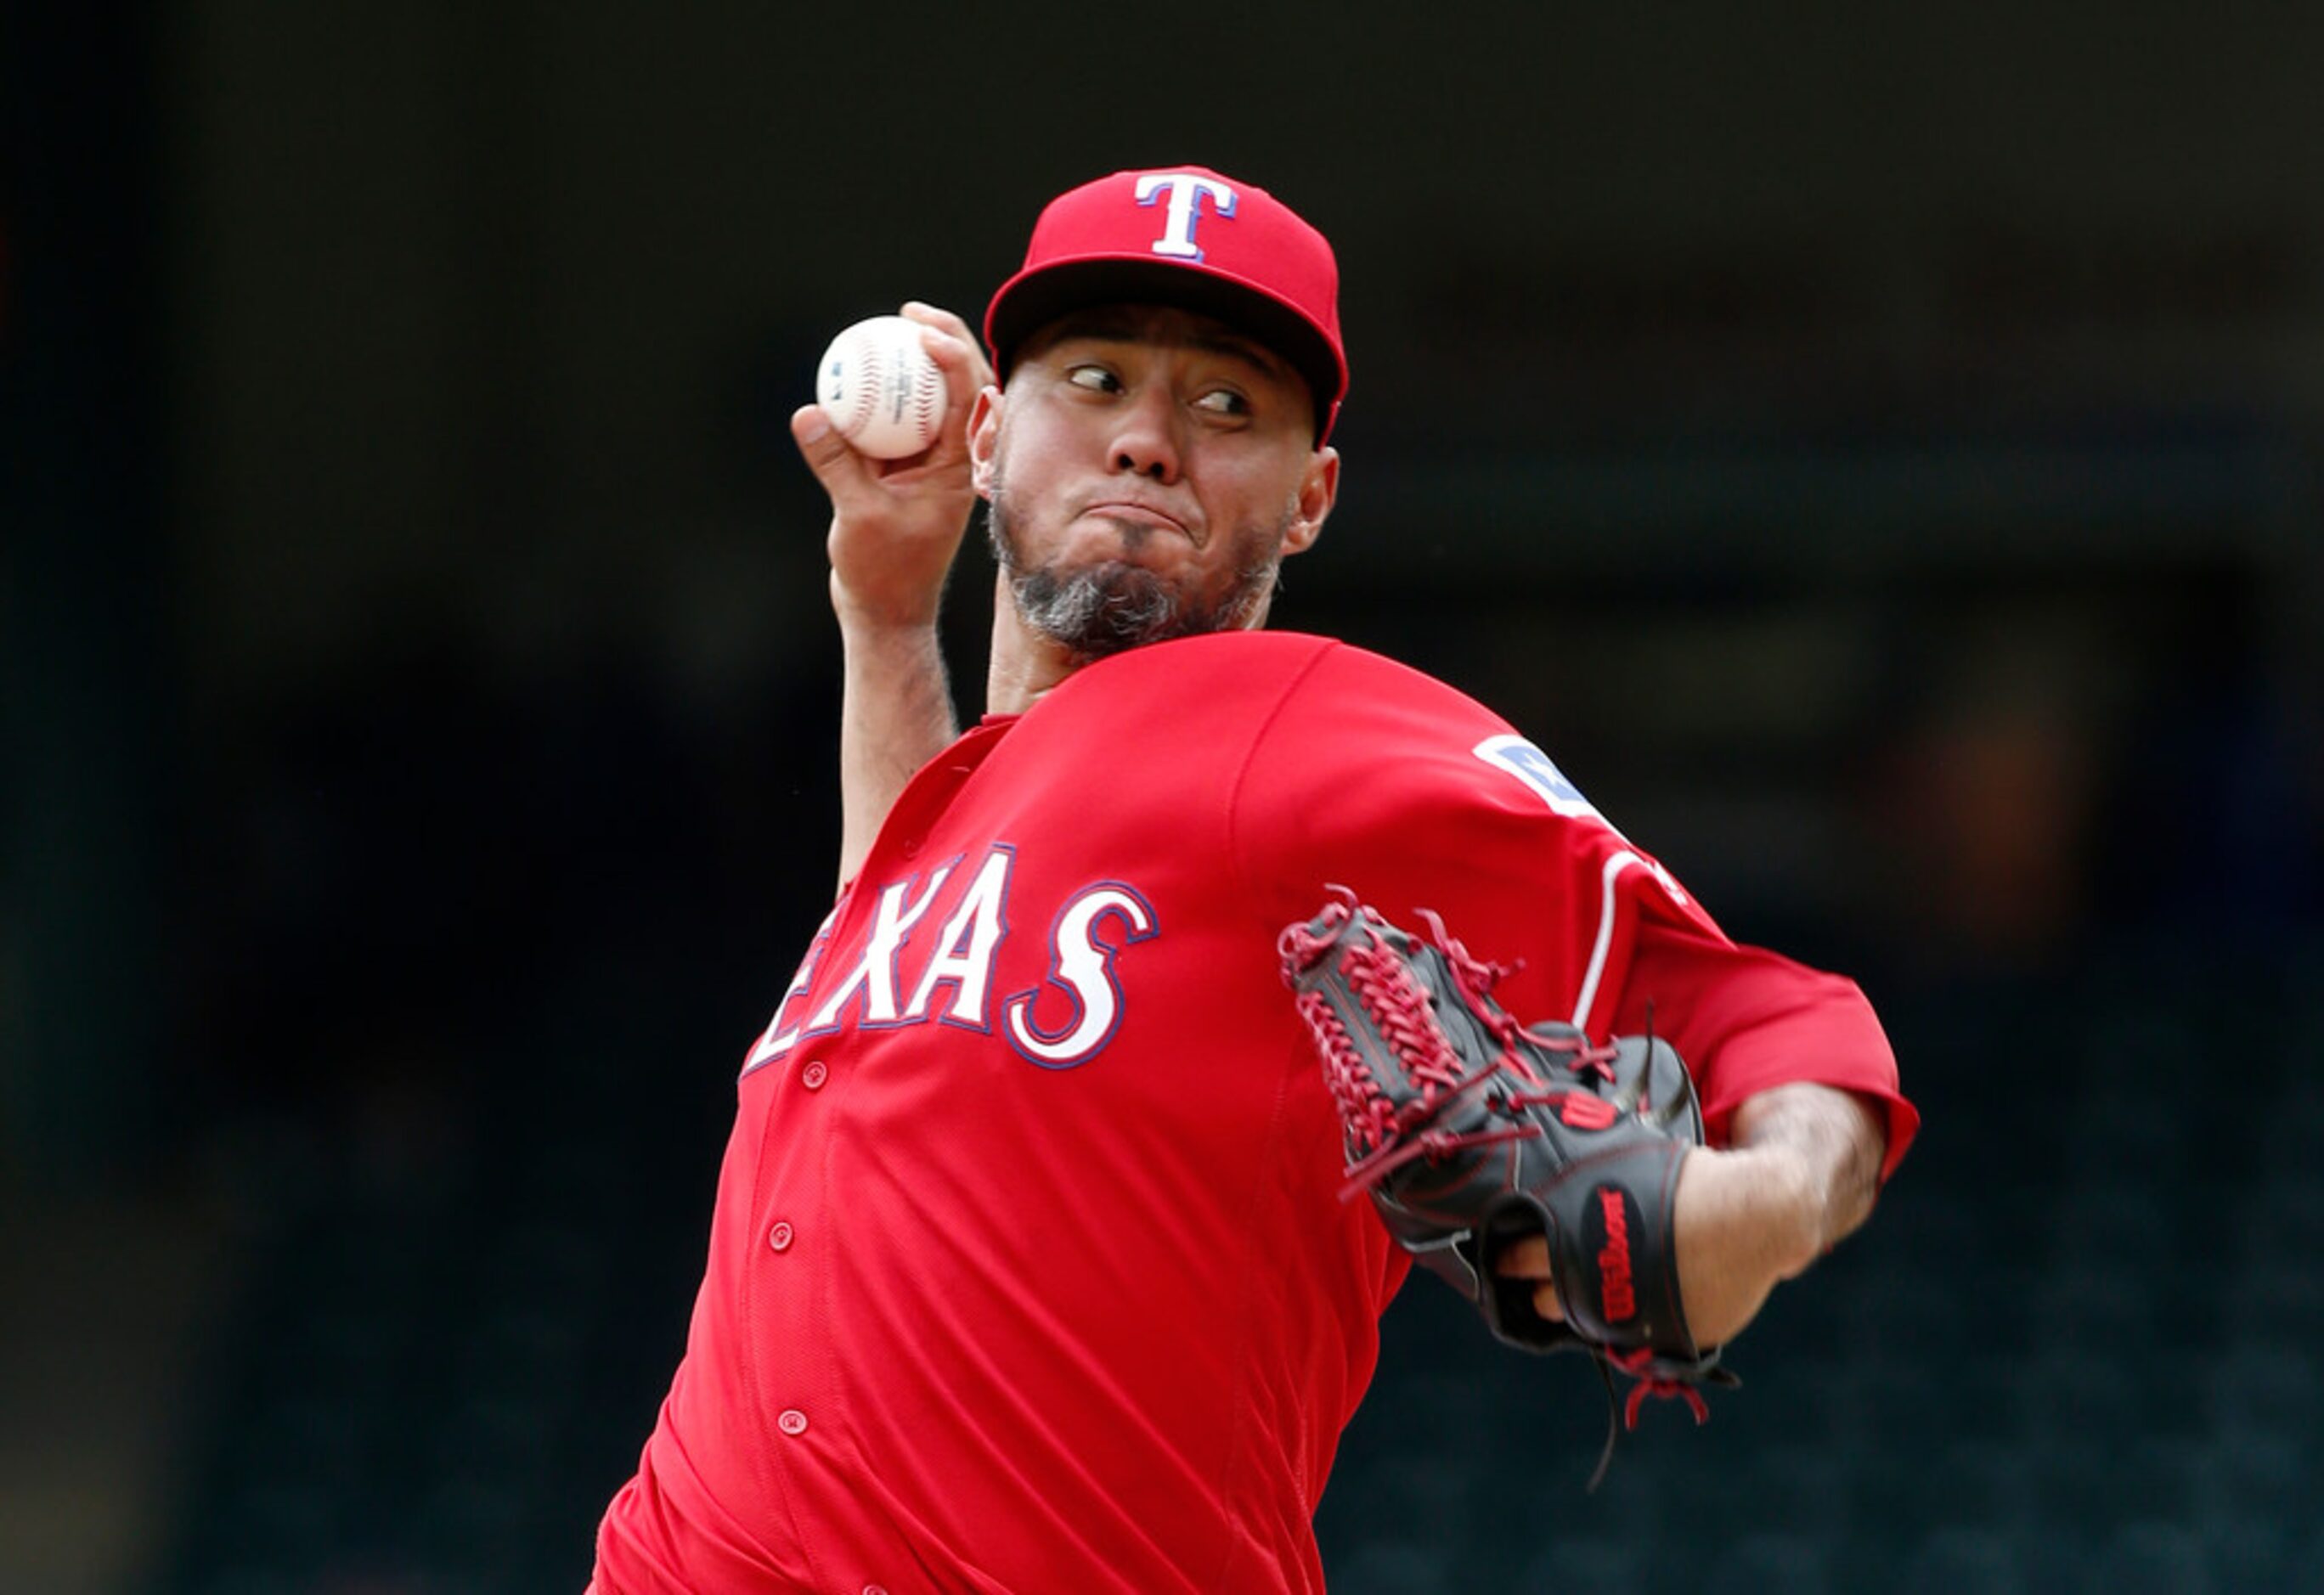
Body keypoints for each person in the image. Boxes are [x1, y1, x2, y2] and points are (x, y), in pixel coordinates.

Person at [589, 165, 1916, 1595]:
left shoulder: (1306, 728)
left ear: (1312, 500)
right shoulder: (971, 809)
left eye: (1229, 406)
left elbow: (1777, 1017)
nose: (1149, 441)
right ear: (987, 434)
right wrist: (886, 602)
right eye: (1095, 379)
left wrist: (1756, 1213)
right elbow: (902, 947)